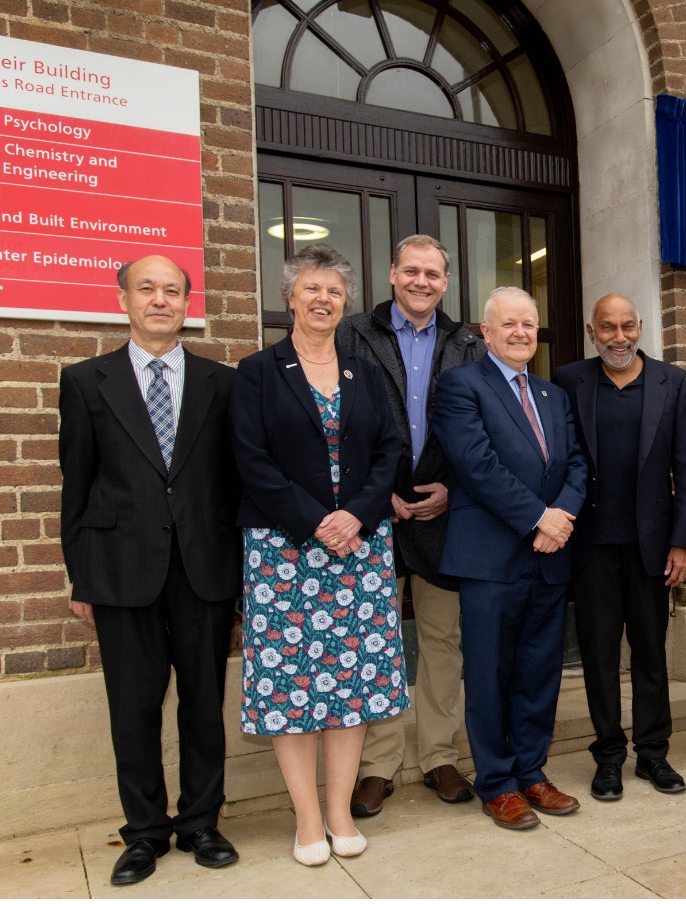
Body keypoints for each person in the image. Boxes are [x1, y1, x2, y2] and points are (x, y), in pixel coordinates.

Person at [59, 255, 241, 886]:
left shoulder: (222, 383)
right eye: (147, 289)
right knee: (132, 706)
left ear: (188, 303)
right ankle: (143, 833)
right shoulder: (87, 382)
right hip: (120, 569)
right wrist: (80, 575)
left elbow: (231, 482)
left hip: (203, 568)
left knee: (201, 701)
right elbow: (75, 486)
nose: (160, 300)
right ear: (123, 299)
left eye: (172, 291)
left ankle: (200, 823)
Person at [231, 243, 405, 866]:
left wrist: (356, 514)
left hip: (360, 547)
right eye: (311, 288)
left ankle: (338, 812)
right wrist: (315, 522)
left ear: (346, 301)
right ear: (289, 297)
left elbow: (390, 451)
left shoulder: (364, 372)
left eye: (333, 290)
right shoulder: (258, 371)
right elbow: (250, 459)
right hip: (284, 552)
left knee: (352, 684)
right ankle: (306, 818)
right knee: (292, 687)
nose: (323, 299)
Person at [337, 235, 484, 817]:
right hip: (372, 511)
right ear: (393, 275)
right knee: (376, 639)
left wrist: (454, 488)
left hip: (441, 510)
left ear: (445, 283)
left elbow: (483, 428)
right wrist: (376, 495)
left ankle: (439, 755)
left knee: (442, 639)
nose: (422, 282)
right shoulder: (354, 333)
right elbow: (341, 422)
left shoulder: (467, 342)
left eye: (433, 274)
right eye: (412, 271)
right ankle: (377, 766)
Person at [432, 286, 588, 829]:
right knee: (490, 674)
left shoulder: (553, 395)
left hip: (549, 555)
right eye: (509, 324)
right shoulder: (460, 385)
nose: (521, 332)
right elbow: (477, 466)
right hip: (491, 559)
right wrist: (537, 518)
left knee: (539, 673)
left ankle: (532, 772)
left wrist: (561, 518)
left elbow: (576, 466)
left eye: (529, 323)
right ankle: (496, 783)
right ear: (486, 331)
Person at [553, 294, 686, 801]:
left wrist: (683, 543)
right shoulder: (570, 380)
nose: (619, 337)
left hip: (652, 547)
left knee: (651, 656)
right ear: (591, 330)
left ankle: (654, 755)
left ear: (640, 326)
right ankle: (609, 757)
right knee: (598, 658)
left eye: (627, 326)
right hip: (591, 546)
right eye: (607, 328)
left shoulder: (673, 382)